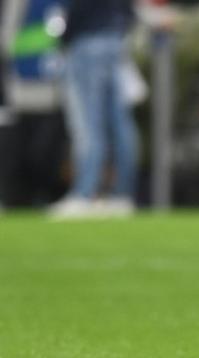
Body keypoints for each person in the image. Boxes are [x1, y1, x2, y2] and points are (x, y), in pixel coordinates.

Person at [49, 0, 139, 218]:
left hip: (87, 42)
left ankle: (85, 194)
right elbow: (130, 12)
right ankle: (122, 196)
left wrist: (64, 38)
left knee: (88, 124)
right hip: (115, 41)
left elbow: (73, 9)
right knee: (119, 123)